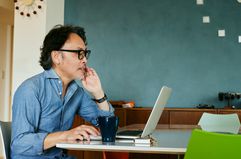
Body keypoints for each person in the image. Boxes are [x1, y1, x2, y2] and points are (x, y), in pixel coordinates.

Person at [11, 25, 114, 159]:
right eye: (79, 53)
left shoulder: (76, 92)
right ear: (57, 57)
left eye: (85, 53)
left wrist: (98, 92)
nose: (85, 60)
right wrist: (65, 135)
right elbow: (19, 145)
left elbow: (108, 128)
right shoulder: (31, 89)